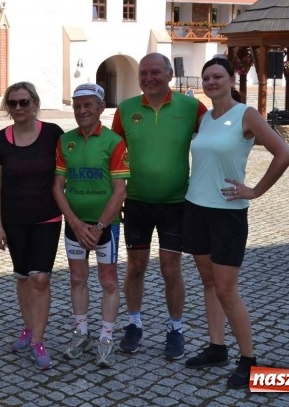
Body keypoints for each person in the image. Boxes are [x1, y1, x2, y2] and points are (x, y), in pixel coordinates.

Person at [183, 56, 289, 389]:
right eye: (206, 78)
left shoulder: (246, 115)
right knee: (208, 283)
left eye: (217, 76)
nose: (211, 82)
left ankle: (249, 361)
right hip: (196, 208)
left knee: (227, 290)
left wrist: (255, 190)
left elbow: (284, 154)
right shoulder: (205, 118)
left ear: (232, 80)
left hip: (227, 214)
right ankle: (217, 348)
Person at [111, 53, 207, 359]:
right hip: (136, 202)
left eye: (155, 72)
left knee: (170, 268)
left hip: (176, 203)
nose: (148, 78)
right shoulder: (125, 109)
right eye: (143, 73)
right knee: (136, 265)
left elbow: (219, 135)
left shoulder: (191, 107)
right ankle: (134, 324)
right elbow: (112, 155)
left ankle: (175, 328)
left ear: (169, 75)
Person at [0, 82, 64, 370]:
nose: (18, 108)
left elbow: (66, 171)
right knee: (22, 276)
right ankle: (28, 327)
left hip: (47, 217)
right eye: (13, 103)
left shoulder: (53, 134)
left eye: (24, 102)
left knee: (40, 278)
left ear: (35, 103)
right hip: (14, 219)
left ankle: (38, 341)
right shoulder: (0, 141)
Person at [53, 83, 129, 368]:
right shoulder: (65, 141)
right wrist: (74, 222)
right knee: (77, 278)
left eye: (88, 105)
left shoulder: (114, 141)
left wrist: (98, 227)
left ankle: (106, 337)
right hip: (75, 225)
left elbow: (120, 191)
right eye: (77, 106)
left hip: (105, 226)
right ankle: (81, 333)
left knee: (108, 281)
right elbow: (57, 187)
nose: (82, 111)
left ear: (100, 108)